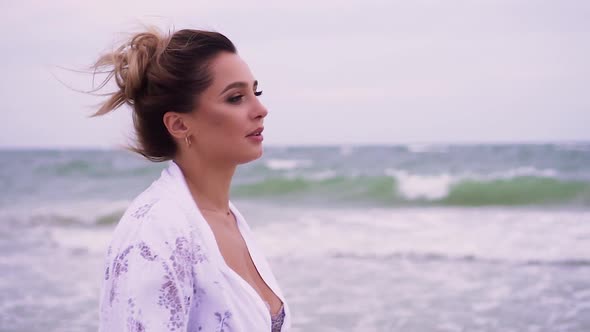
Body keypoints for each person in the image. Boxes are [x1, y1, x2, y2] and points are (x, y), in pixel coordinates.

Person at [94, 26, 291, 331]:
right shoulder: (158, 229)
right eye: (236, 97)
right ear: (179, 124)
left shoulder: (229, 220)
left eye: (257, 92)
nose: (261, 109)